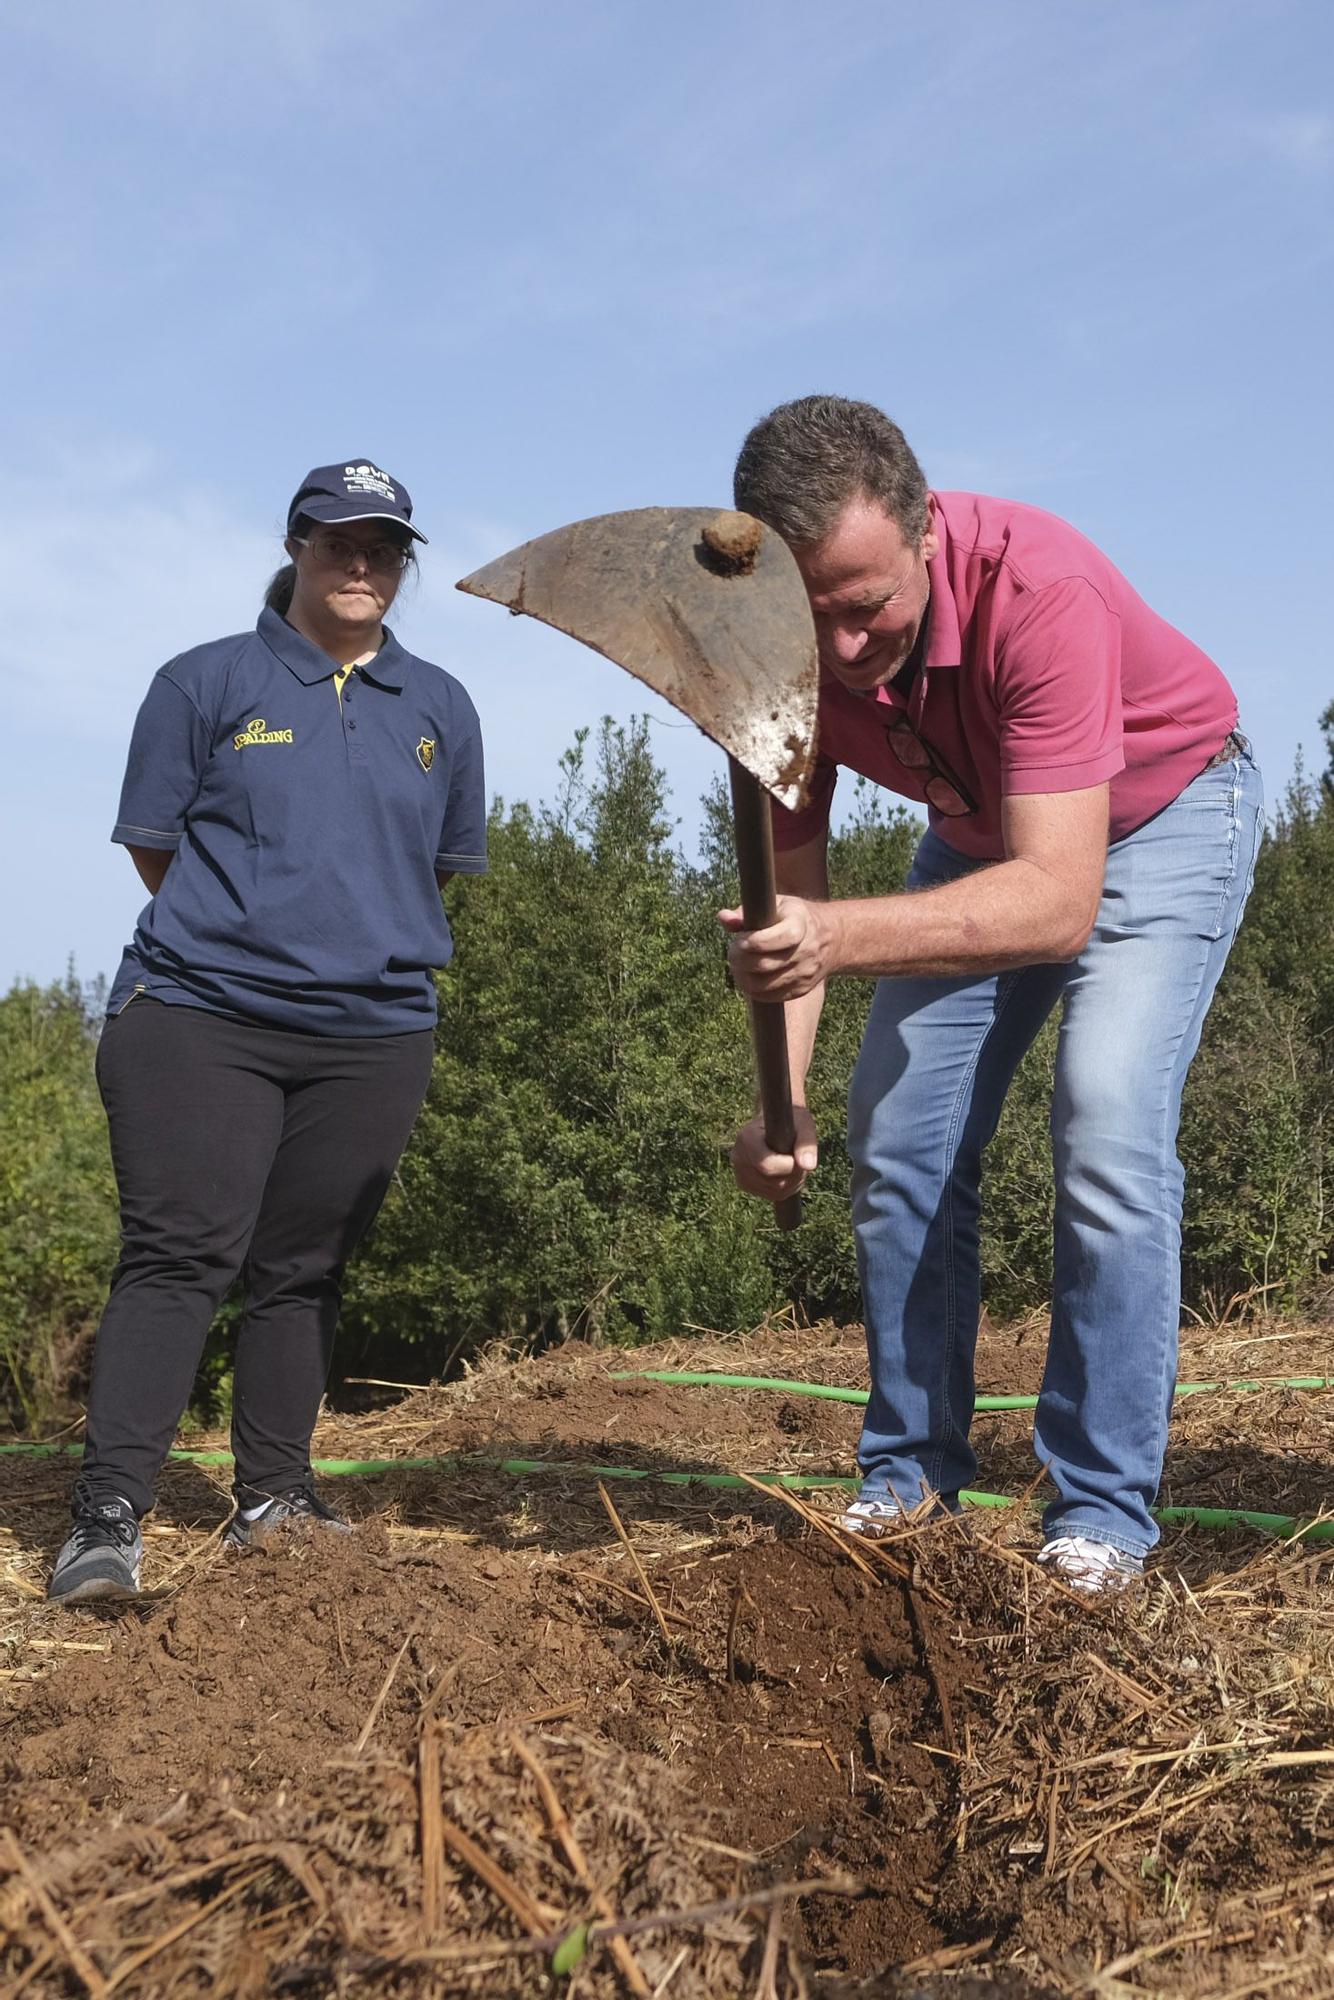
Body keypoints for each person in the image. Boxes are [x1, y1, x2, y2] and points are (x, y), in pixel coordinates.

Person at [722, 397, 1262, 1594]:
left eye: (865, 607)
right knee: (900, 1138)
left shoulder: (1037, 586)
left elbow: (1056, 901)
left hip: (1159, 816)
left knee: (1105, 1121)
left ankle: (1100, 1512)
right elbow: (790, 898)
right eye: (812, 616)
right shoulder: (780, 653)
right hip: (979, 842)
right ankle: (906, 1475)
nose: (842, 648)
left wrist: (832, 936)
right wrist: (783, 1097)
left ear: (923, 529)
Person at [49, 460, 487, 1603]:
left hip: (372, 1030)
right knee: (184, 1252)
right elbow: (158, 850)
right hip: (202, 1015)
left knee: (303, 1269)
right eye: (340, 542)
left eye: (385, 549)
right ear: (296, 545)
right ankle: (108, 1513)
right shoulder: (204, 681)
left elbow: (434, 868)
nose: (361, 565)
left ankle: (275, 1496)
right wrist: (254, 931)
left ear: (402, 566)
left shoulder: (440, 704)